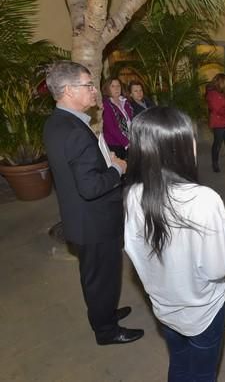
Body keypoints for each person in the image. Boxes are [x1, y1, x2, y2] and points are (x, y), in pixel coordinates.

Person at [123, 106, 225, 382]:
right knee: (202, 373)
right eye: (190, 137)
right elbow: (218, 267)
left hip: (164, 307)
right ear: (175, 147)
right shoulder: (203, 200)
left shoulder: (132, 197)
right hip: (202, 312)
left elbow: (136, 256)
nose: (195, 143)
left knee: (178, 363)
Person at [43, 61, 143, 345]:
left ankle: (104, 315)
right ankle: (107, 331)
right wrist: (117, 169)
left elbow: (77, 170)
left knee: (96, 277)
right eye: (87, 85)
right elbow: (90, 187)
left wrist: (103, 161)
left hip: (82, 219)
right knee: (102, 278)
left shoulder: (58, 122)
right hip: (94, 223)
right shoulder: (74, 131)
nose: (93, 91)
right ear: (68, 91)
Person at [205, 73, 225, 172]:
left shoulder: (224, 91)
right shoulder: (212, 94)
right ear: (221, 82)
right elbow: (218, 109)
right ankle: (215, 163)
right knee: (217, 144)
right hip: (219, 123)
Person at [102, 77, 133, 159]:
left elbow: (131, 121)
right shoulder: (106, 105)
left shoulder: (125, 102)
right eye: (113, 86)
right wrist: (126, 143)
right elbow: (111, 128)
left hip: (130, 141)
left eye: (118, 86)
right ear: (107, 88)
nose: (116, 88)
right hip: (115, 145)